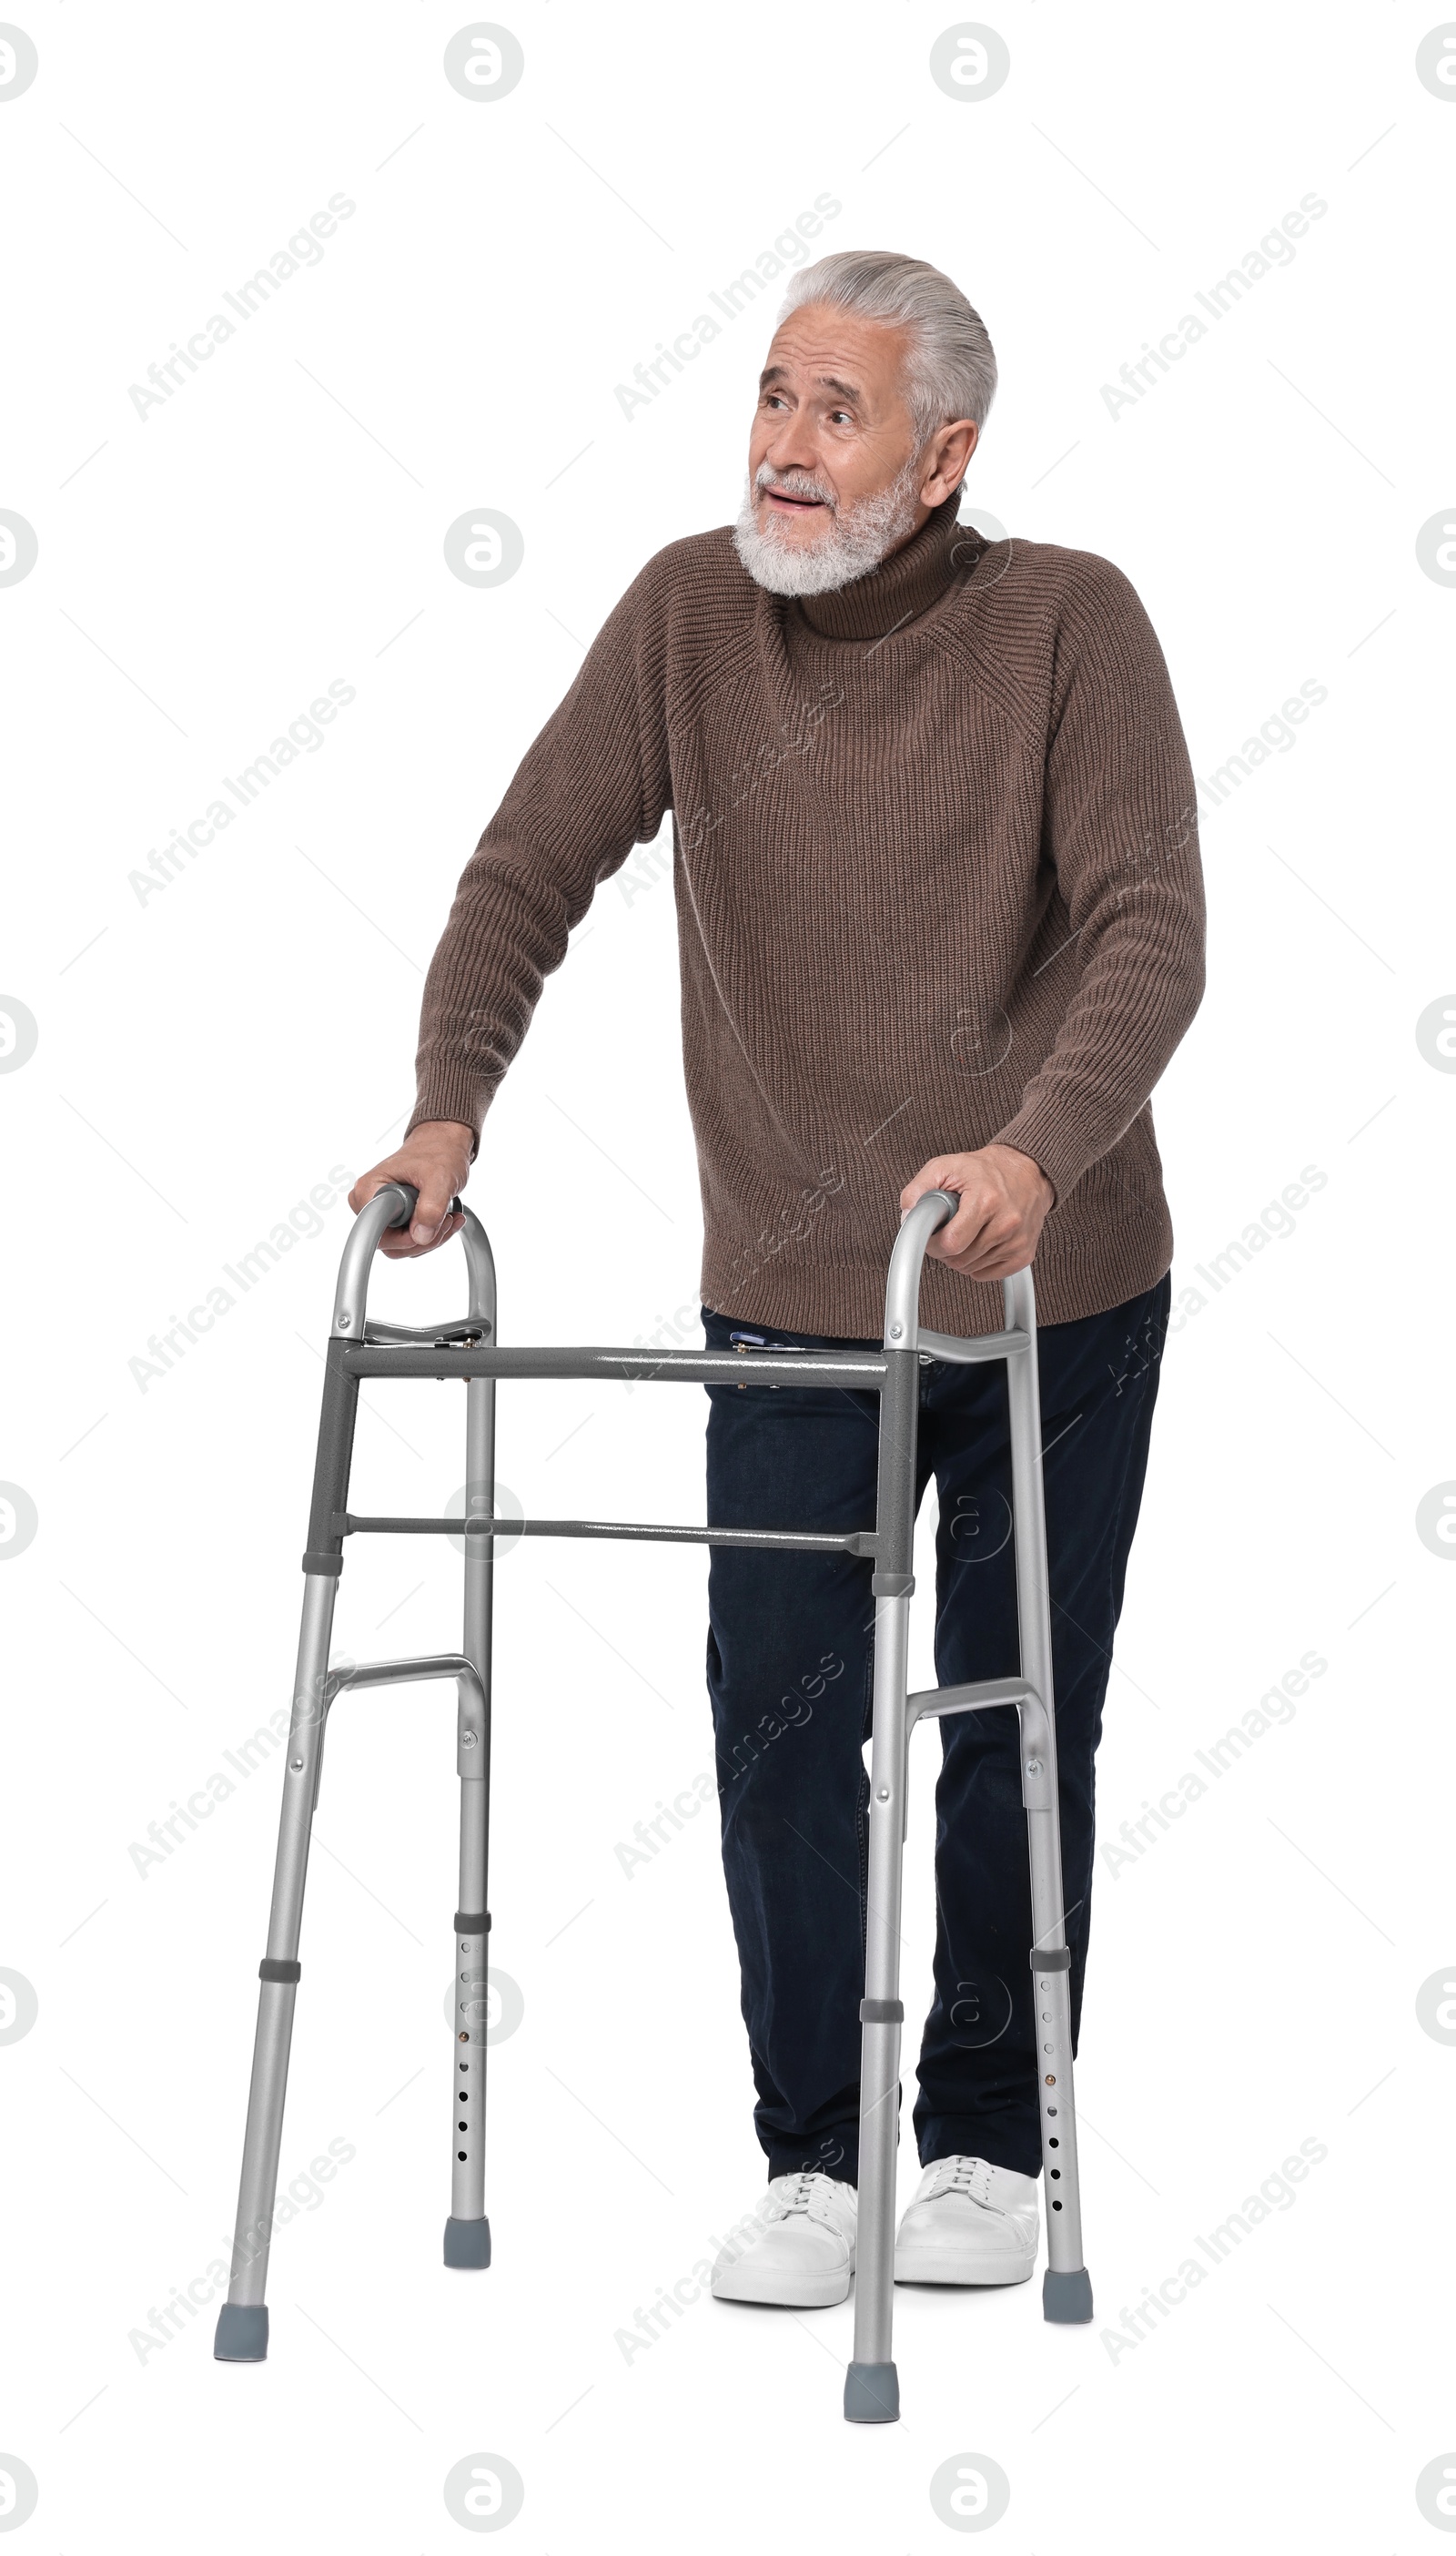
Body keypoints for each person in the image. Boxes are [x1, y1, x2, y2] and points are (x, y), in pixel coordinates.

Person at [349, 249, 1205, 2310]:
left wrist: (1028, 1150)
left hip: (1040, 1293)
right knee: (773, 1720)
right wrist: (449, 1111)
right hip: (788, 1295)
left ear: (942, 455)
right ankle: (813, 2155)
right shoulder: (684, 616)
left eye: (834, 412)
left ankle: (988, 2140)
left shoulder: (1061, 623)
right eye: (768, 397)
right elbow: (523, 868)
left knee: (1010, 1726)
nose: (780, 448)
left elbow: (1146, 929)